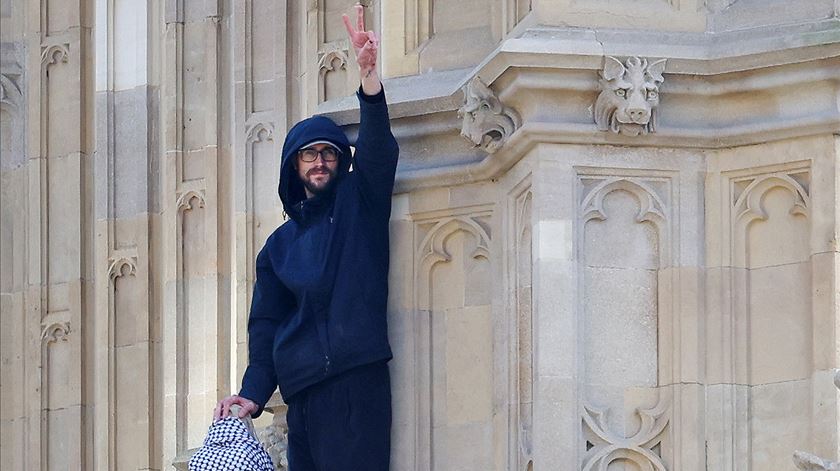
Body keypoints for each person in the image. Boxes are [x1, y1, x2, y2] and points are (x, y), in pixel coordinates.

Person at [213, 4, 398, 470]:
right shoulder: (277, 248)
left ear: (341, 162)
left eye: (329, 154)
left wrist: (369, 81)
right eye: (308, 155)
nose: (319, 162)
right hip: (302, 397)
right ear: (293, 167)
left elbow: (377, 153)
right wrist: (251, 395)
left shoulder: (360, 205)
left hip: (356, 384)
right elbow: (266, 327)